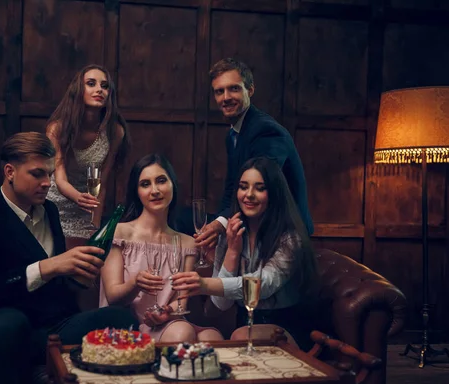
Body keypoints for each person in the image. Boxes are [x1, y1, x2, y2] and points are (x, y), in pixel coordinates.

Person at [0, 132, 137, 384]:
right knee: (8, 324)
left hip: (52, 328)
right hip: (5, 332)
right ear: (10, 171)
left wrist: (77, 276)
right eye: (37, 174)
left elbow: (59, 282)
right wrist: (48, 267)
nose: (47, 183)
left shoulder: (49, 210)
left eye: (50, 174)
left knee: (122, 320)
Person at [172, 157, 317, 350]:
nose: (249, 195)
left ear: (274, 193)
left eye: (259, 188)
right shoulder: (231, 232)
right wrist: (232, 250)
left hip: (285, 327)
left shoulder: (290, 238)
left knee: (238, 336)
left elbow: (262, 286)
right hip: (244, 326)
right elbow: (220, 305)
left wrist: (204, 284)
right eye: (243, 187)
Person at [100, 153, 223, 342]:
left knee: (213, 337)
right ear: (137, 191)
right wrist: (135, 283)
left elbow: (181, 301)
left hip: (168, 323)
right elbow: (113, 296)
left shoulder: (187, 243)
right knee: (183, 333)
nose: (155, 190)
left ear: (172, 185)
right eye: (145, 184)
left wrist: (167, 312)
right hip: (127, 326)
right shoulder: (119, 233)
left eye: (161, 181)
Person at [194, 58, 313, 253]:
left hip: (285, 236)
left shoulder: (266, 130)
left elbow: (257, 188)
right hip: (256, 230)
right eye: (219, 91)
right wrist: (218, 222)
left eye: (234, 89)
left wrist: (220, 225)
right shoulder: (233, 134)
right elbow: (232, 189)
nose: (226, 97)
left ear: (250, 90)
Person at [46, 64, 130, 238]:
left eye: (104, 86)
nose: (99, 89)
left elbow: (102, 184)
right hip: (55, 206)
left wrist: (94, 225)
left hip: (88, 207)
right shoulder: (58, 128)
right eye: (91, 83)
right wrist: (77, 197)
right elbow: (60, 178)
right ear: (78, 89)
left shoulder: (115, 131)